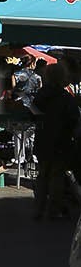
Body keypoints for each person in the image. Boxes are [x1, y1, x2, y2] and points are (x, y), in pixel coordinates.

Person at [32, 67, 80, 221]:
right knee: (56, 176)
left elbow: (32, 115)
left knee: (42, 175)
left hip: (43, 139)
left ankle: (39, 209)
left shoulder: (40, 96)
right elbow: (74, 118)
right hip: (61, 140)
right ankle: (53, 210)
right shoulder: (65, 97)